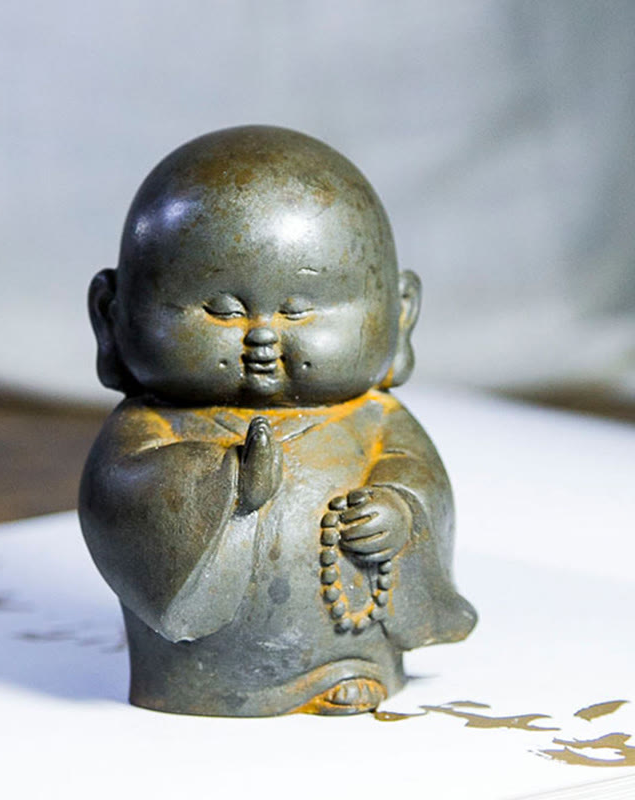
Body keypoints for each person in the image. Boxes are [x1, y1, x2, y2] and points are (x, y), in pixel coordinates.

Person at [79, 126, 476, 716]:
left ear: (399, 315)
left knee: (355, 642)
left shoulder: (378, 419)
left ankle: (346, 667)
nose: (261, 336)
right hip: (190, 669)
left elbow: (419, 482)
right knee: (190, 662)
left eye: (298, 310)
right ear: (113, 317)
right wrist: (225, 484)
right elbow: (116, 497)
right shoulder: (151, 424)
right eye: (222, 310)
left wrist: (397, 514)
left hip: (347, 645)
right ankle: (203, 687)